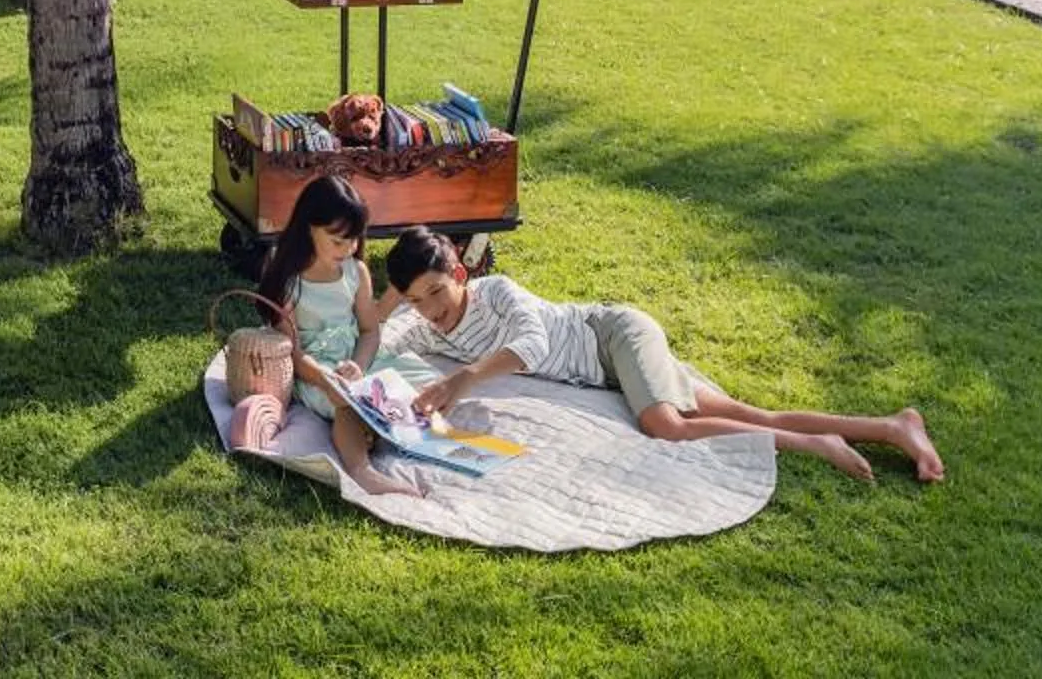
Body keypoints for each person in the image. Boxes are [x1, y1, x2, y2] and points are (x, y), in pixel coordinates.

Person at [379, 228, 944, 483]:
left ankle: (817, 444)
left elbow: (534, 345)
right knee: (749, 414)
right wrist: (359, 357)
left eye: (437, 292)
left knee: (666, 427)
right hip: (608, 373)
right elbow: (384, 341)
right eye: (416, 300)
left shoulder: (498, 292)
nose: (431, 309)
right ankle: (893, 427)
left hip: (614, 335)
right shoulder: (427, 328)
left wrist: (463, 381)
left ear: (460, 275)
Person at [234, 175, 424, 499]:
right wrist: (326, 380)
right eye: (338, 241)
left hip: (355, 359)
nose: (349, 249)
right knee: (347, 402)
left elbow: (369, 330)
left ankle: (372, 428)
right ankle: (362, 469)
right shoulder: (290, 280)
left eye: (354, 240)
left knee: (419, 380)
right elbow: (293, 352)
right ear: (309, 228)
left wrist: (359, 366)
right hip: (315, 370)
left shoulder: (355, 271)